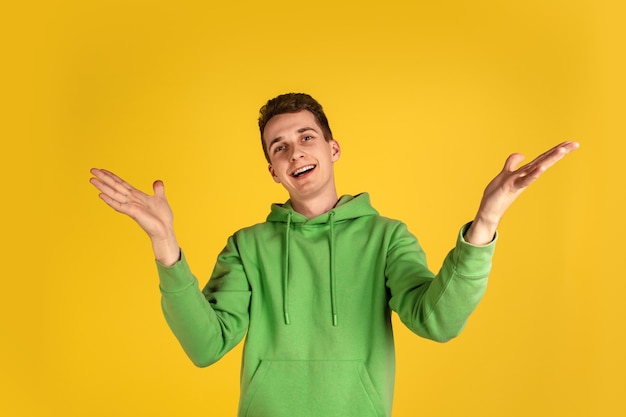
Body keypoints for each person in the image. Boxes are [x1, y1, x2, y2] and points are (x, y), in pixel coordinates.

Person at [89, 93, 579, 417]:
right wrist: (164, 243)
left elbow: (439, 321)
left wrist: (486, 221)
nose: (295, 152)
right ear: (273, 171)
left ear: (332, 147)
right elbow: (205, 347)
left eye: (306, 137)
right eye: (278, 147)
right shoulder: (248, 246)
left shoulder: (386, 238)